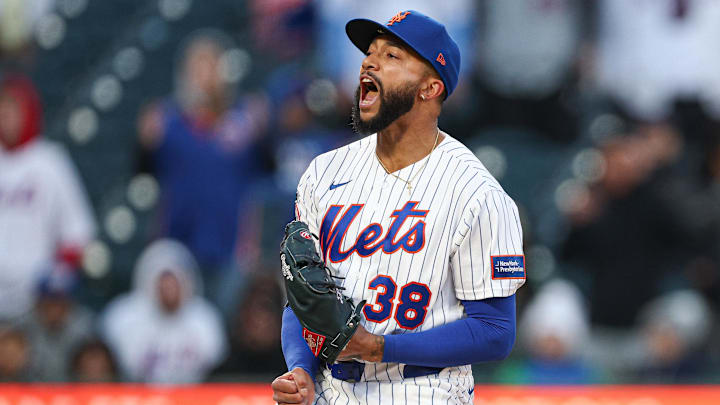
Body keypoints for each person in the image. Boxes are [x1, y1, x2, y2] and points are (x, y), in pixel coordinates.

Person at [272, 10, 525, 405]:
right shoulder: (324, 173)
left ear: (429, 88)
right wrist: (300, 368)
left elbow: (494, 330)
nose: (368, 62)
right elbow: (304, 298)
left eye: (392, 56)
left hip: (424, 393)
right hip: (329, 394)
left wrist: (379, 347)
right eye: (369, 53)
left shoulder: (477, 194)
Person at [0, 74, 96, 321]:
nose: (6, 116)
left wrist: (55, 276)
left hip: (37, 299)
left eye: (12, 108)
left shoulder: (50, 161)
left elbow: (78, 230)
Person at [100, 239, 226, 384]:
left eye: (174, 282)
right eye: (164, 282)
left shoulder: (206, 320)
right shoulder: (122, 318)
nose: (169, 289)